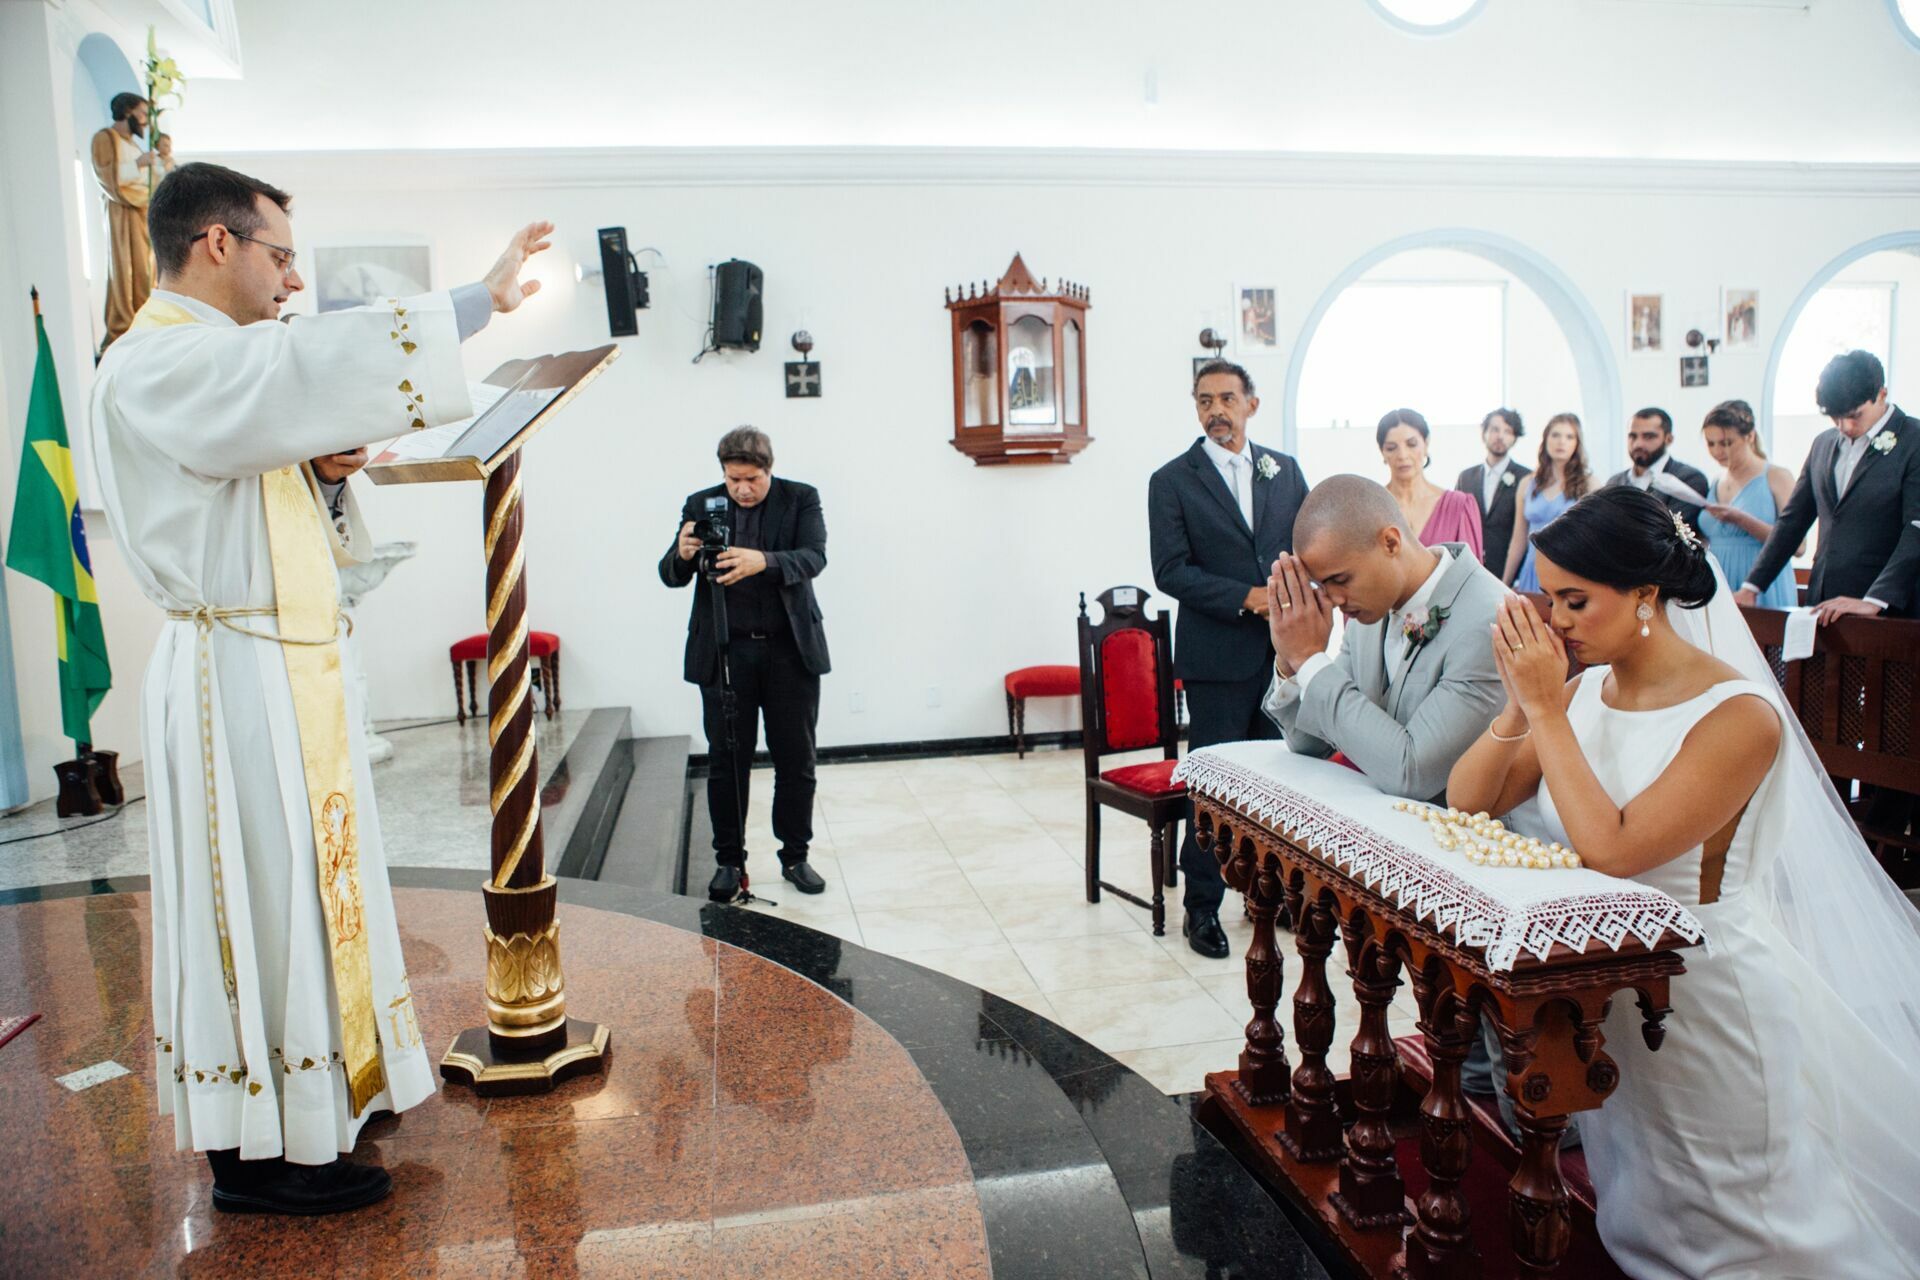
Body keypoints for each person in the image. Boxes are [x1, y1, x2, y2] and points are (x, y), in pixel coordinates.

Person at [87, 162, 550, 1213]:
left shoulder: (209, 364)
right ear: (216, 243)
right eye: (281, 254)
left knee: (303, 890)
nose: (292, 280)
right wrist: (475, 303)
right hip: (234, 682)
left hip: (276, 666)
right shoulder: (161, 359)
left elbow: (255, 472)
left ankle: (314, 1102)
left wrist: (324, 475)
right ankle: (256, 1151)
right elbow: (297, 373)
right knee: (261, 900)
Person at [1447, 486, 1920, 1278]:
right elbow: (1470, 797)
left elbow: (1615, 848)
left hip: (1703, 992)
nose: (1555, 620)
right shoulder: (1587, 687)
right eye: (1548, 596)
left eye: (1574, 600)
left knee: (1746, 1216)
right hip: (1604, 982)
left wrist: (1546, 709)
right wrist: (1517, 704)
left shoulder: (1738, 715)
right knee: (1645, 1193)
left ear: (1645, 595)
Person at [1149, 359, 1310, 958]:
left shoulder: (1285, 471)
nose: (1215, 409)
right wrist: (1248, 598)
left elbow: (1308, 547)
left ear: (1251, 404)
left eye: (1226, 398)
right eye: (1204, 400)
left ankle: (1272, 896)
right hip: (1217, 657)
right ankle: (1201, 908)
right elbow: (1170, 571)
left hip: (1283, 655)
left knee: (1278, 781)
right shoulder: (1172, 480)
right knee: (1212, 788)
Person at [660, 427, 830, 904]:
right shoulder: (701, 504)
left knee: (795, 759)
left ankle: (795, 856)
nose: (742, 489)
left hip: (790, 651)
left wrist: (763, 561)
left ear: (768, 470)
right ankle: (729, 862)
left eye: (751, 479)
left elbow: (814, 557)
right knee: (726, 761)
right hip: (724, 653)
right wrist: (681, 553)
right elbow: (670, 576)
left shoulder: (801, 499)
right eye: (733, 480)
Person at [1261, 476, 1504, 802]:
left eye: (1340, 579)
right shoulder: (1368, 613)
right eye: (1323, 586)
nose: (1334, 599)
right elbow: (1311, 742)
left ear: (1390, 542)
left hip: (1460, 835)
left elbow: (1413, 774)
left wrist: (1310, 660)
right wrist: (1290, 663)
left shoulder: (1487, 618)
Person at [1739, 350, 1919, 622]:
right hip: (1823, 601)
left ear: (1881, 394)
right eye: (1835, 418)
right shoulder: (1823, 443)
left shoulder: (1913, 439)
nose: (1844, 426)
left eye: (1854, 415)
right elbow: (1793, 520)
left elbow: (1916, 527)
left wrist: (1874, 600)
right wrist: (1752, 587)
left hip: (1888, 608)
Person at [1697, 400, 1798, 609]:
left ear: (1749, 436)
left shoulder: (1776, 476)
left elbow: (1797, 546)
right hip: (1719, 581)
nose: (1717, 451)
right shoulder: (1716, 481)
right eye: (1711, 443)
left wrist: (1740, 519)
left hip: (1760, 581)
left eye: (1726, 443)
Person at [89, 92, 158, 347]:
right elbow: (108, 176)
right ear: (127, 112)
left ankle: (145, 323)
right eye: (141, 114)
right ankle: (124, 327)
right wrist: (139, 164)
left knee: (146, 271)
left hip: (141, 212)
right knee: (126, 270)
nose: (145, 121)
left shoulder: (133, 144)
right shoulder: (105, 139)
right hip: (122, 212)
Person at [1377, 408, 1483, 563]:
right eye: (1392, 448)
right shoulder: (1371, 508)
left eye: (1411, 444)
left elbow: (1470, 576)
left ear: (1426, 445)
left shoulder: (1459, 506)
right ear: (1382, 452)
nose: (1402, 455)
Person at [1503, 412, 1588, 591]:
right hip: (1532, 569)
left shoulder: (1589, 484)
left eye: (1569, 436)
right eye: (1555, 435)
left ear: (1577, 443)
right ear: (1546, 439)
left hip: (1570, 569)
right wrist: (1504, 583)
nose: (1561, 441)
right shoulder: (1527, 483)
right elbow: (1518, 540)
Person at [1606, 407, 1709, 532]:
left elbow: (1667, 533)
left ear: (1669, 439)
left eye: (1648, 437)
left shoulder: (1689, 479)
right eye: (1632, 436)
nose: (1638, 444)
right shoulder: (1614, 482)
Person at [1457, 408, 1531, 577]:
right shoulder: (1466, 477)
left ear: (1515, 438)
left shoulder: (1526, 477)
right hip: (1470, 570)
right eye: (1495, 429)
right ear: (1484, 433)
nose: (1500, 436)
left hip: (1510, 572)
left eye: (1508, 431)